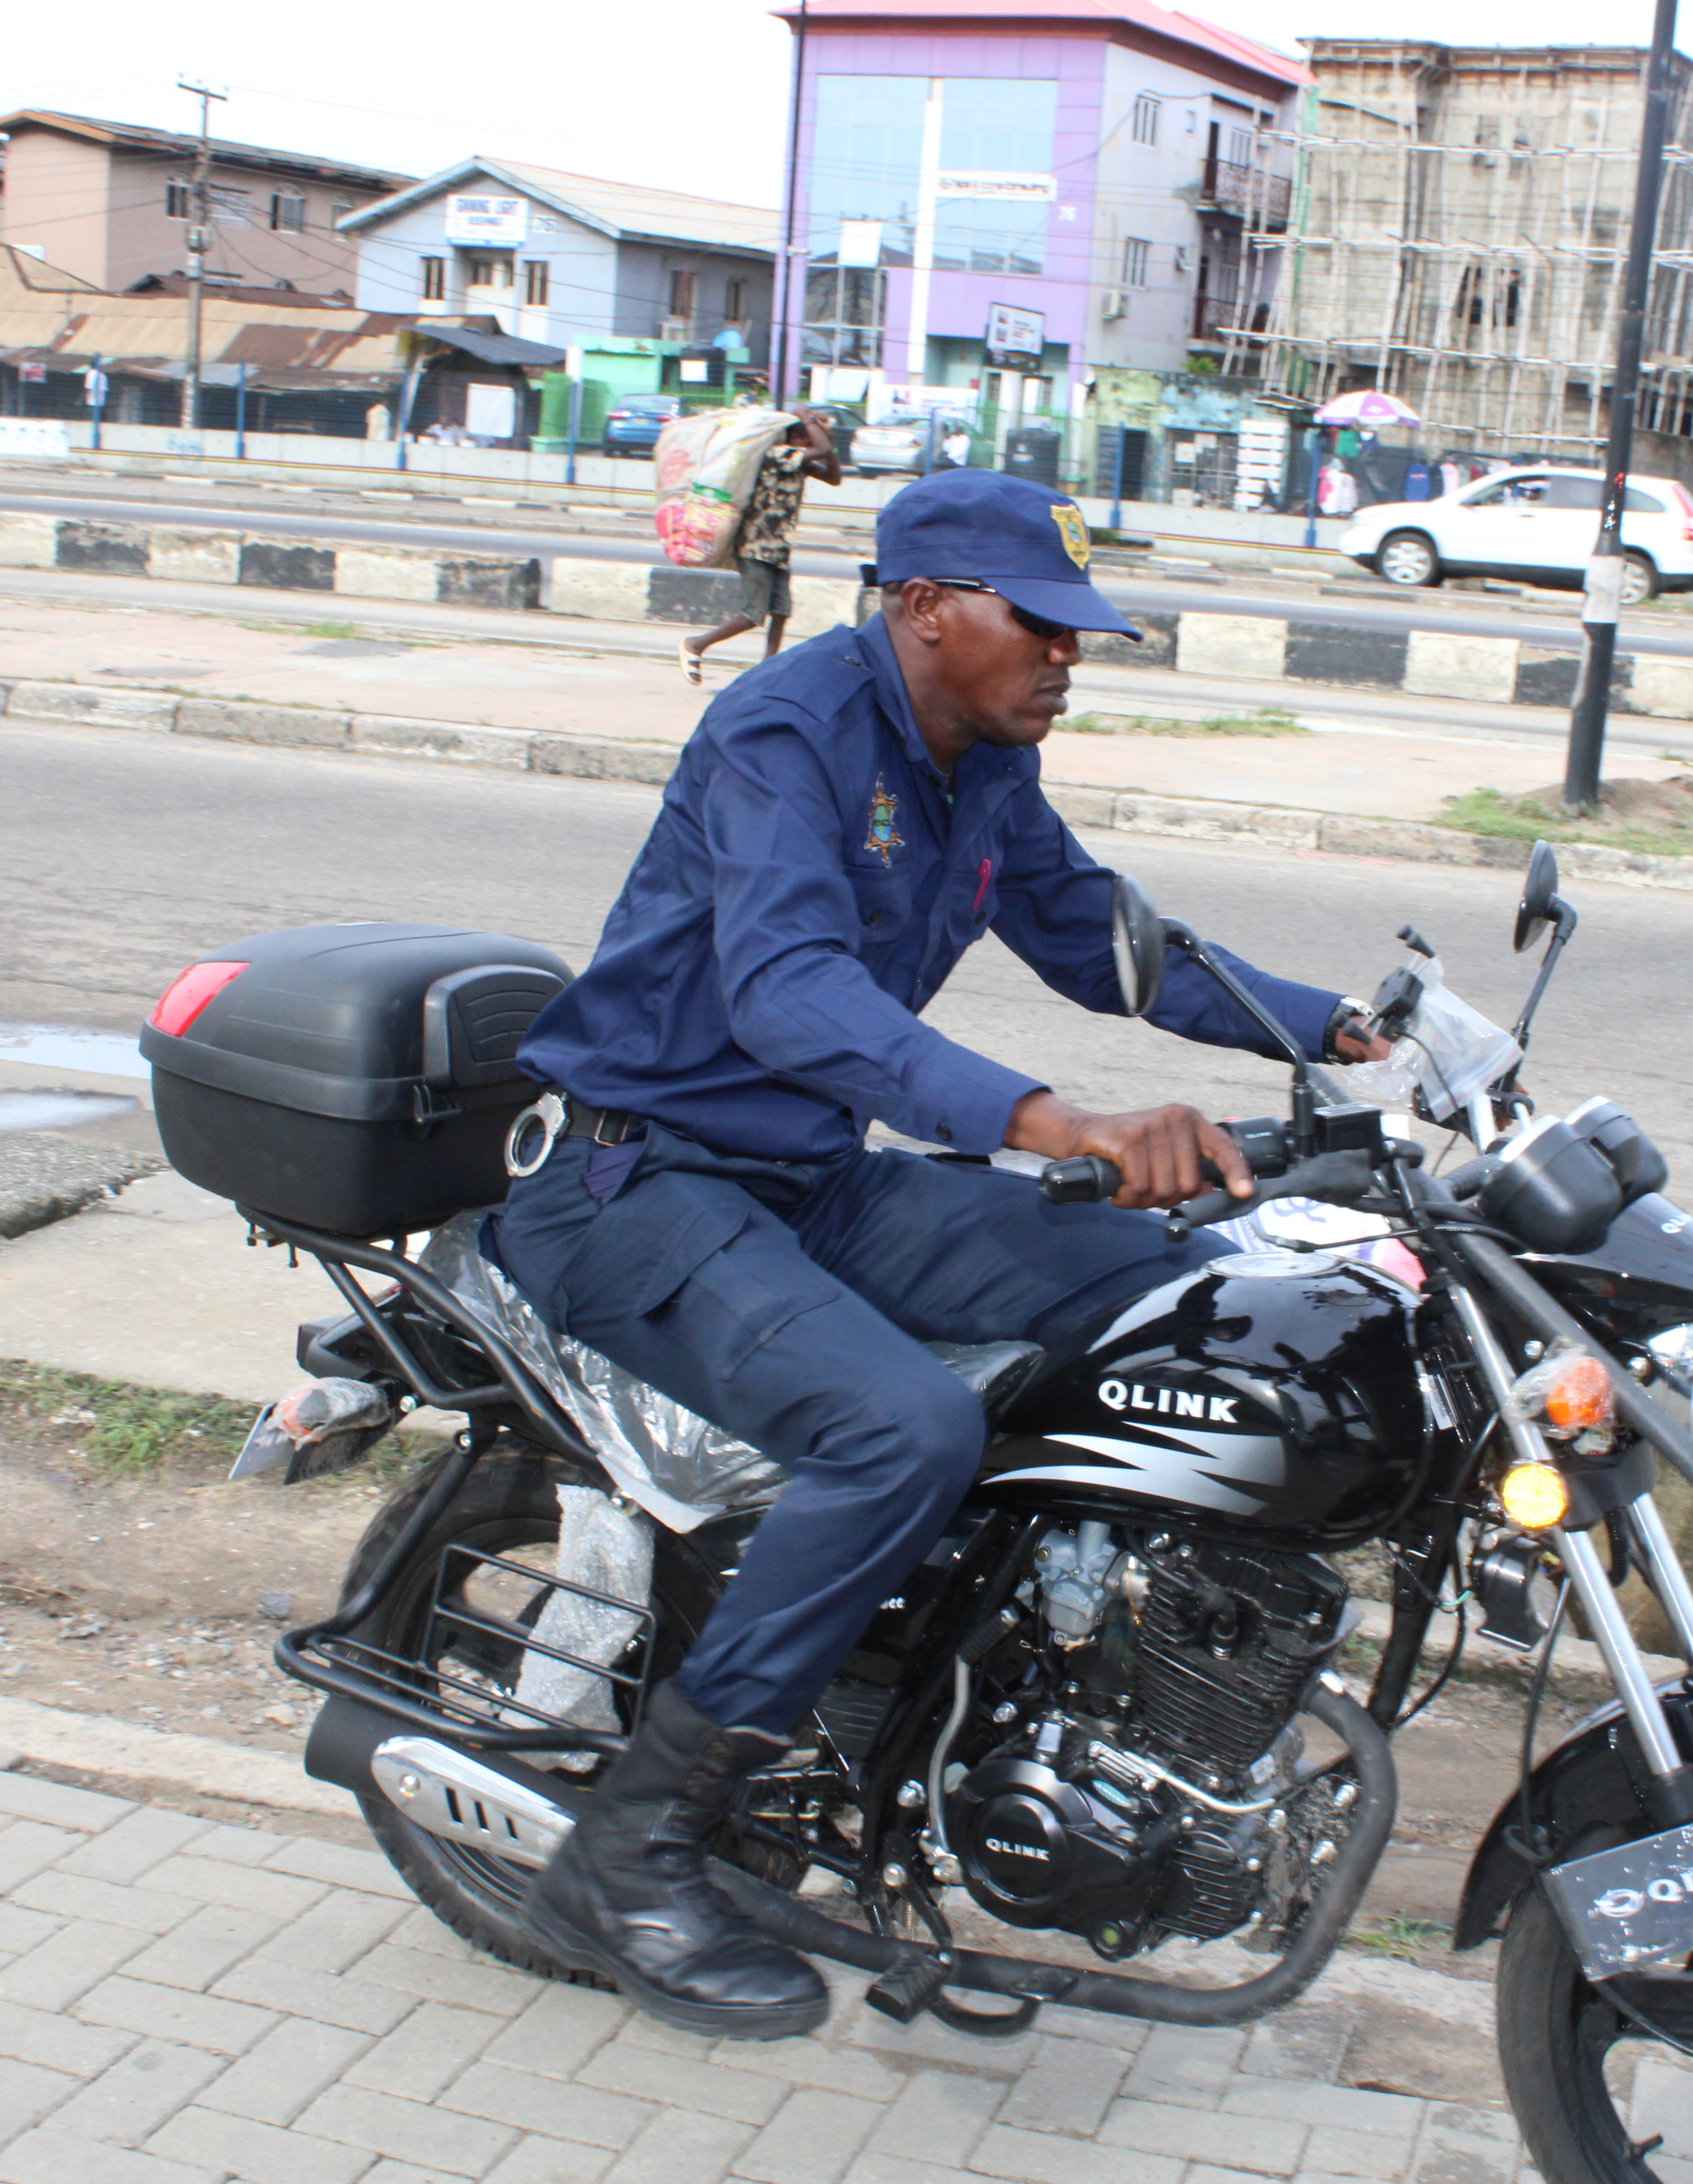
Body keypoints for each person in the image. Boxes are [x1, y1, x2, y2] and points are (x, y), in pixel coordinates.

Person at [491, 468, 1391, 2039]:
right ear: (922, 608)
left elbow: (1102, 936)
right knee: (904, 1425)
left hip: (807, 1180)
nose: (1068, 657)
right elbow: (786, 993)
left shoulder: (982, 759)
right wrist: (1057, 1121)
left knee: (1182, 1283)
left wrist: (1344, 1035)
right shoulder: (789, 730)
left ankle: (1000, 1669)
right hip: (640, 1186)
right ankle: (632, 1857)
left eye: (1078, 632)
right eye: (1038, 624)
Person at [677, 409, 843, 684]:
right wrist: (812, 422)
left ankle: (767, 672)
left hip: (777, 548)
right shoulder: (778, 454)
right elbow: (822, 449)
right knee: (754, 614)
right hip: (756, 545)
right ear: (797, 435)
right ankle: (695, 645)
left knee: (780, 612)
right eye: (809, 436)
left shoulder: (798, 461)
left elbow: (835, 477)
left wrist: (828, 439)